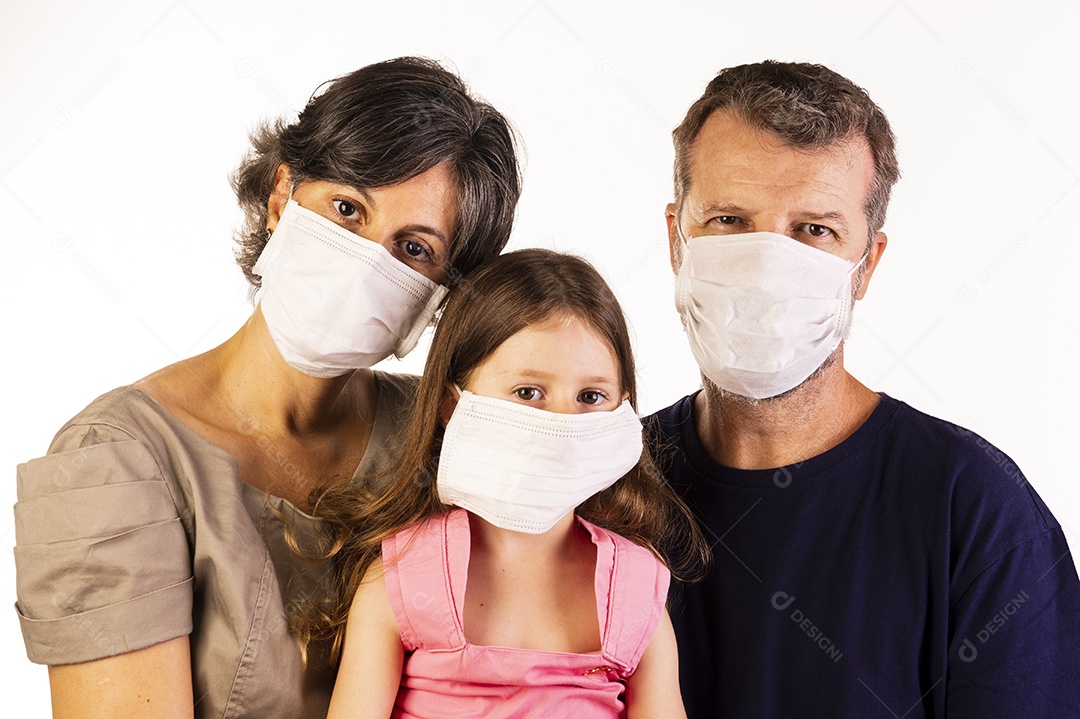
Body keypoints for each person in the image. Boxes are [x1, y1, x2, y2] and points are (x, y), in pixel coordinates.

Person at [13, 56, 521, 718]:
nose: (368, 261)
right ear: (283, 198)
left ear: (439, 298)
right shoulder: (112, 460)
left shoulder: (447, 437)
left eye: (414, 248)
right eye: (347, 209)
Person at [650, 60, 1080, 717]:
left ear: (866, 265)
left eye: (814, 230)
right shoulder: (611, 482)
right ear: (677, 240)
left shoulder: (974, 510)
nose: (768, 266)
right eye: (731, 220)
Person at [296, 249, 709, 718]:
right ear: (454, 407)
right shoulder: (401, 575)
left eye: (591, 396)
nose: (561, 422)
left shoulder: (637, 587)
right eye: (528, 392)